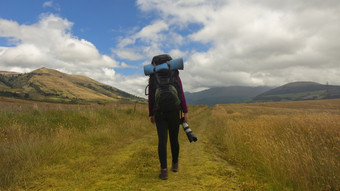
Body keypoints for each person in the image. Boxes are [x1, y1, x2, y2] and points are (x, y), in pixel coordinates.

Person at [147, 54, 189, 180]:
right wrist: (185, 111)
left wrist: (151, 113)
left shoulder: (153, 76)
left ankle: (164, 171)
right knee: (174, 139)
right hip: (174, 111)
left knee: (162, 141)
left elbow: (151, 97)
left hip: (159, 112)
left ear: (154, 64)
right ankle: (175, 164)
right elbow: (180, 93)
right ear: (169, 62)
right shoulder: (174, 73)